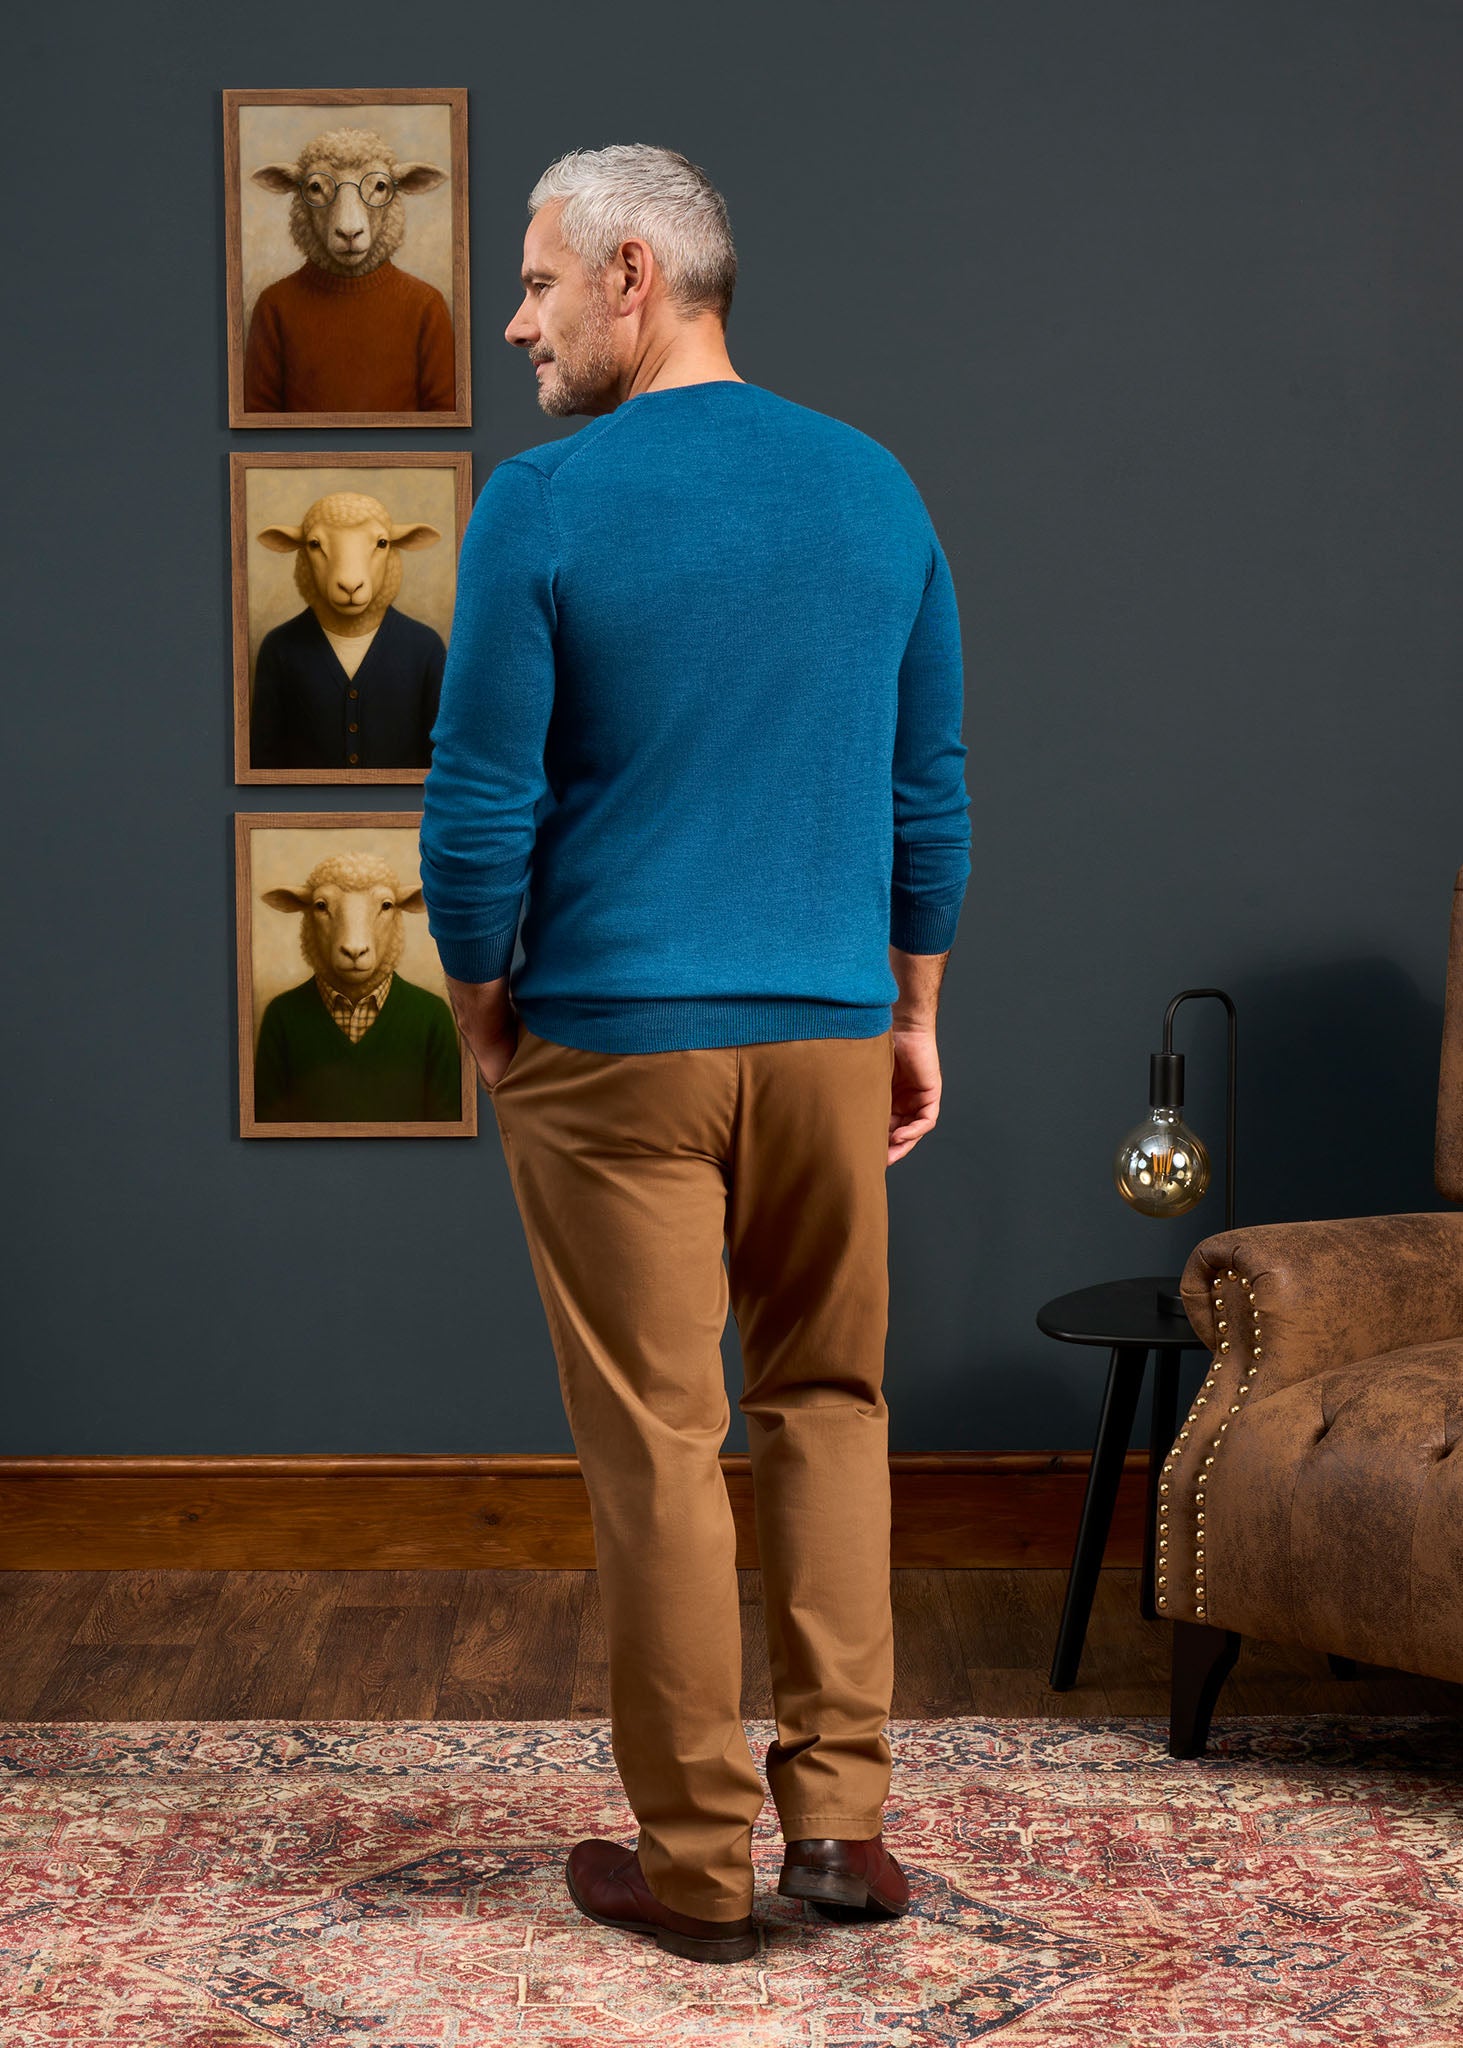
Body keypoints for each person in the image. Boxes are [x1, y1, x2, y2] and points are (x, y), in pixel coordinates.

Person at [417, 142, 970, 1965]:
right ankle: (843, 1830)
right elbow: (927, 791)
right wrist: (911, 1011)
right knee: (832, 1409)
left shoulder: (544, 503)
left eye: (537, 283)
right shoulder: (875, 487)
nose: (519, 323)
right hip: (826, 1035)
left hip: (615, 1045)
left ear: (634, 275)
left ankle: (696, 1867)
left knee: (662, 1448)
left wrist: (484, 1005)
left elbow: (477, 804)